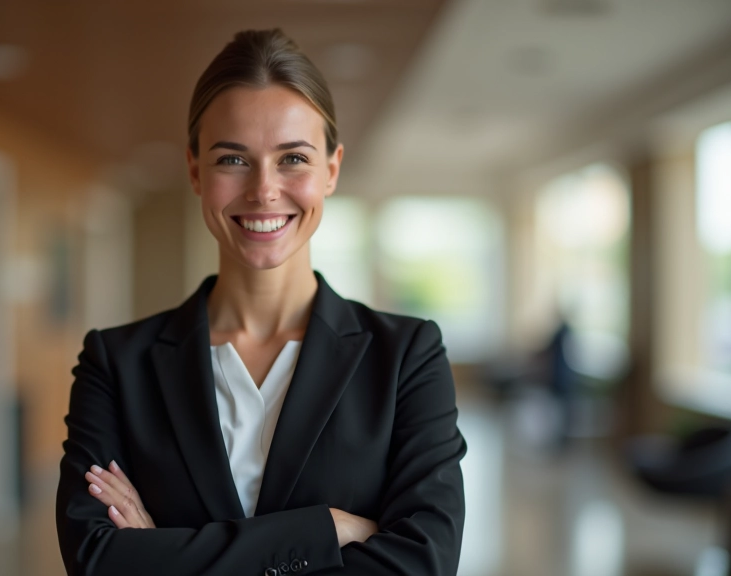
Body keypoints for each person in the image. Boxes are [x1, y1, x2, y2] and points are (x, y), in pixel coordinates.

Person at [55, 28, 466, 576]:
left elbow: (423, 563)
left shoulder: (407, 356)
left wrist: (164, 552)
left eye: (293, 158)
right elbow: (98, 562)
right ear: (196, 170)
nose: (264, 190)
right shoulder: (116, 363)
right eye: (232, 160)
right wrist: (326, 531)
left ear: (332, 170)